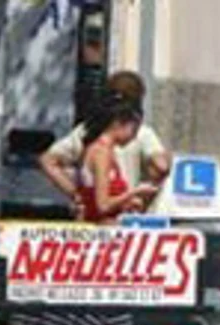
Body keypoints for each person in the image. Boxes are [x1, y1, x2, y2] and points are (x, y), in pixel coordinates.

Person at [39, 70, 171, 208]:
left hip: (91, 215)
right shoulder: (140, 133)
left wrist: (77, 195)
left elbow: (48, 161)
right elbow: (161, 165)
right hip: (121, 218)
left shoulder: (86, 130)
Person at [76, 94, 161, 224]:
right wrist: (135, 192)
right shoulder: (101, 152)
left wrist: (127, 203)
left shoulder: (108, 151)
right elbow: (103, 205)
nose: (134, 137)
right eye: (133, 129)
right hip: (101, 229)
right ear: (118, 124)